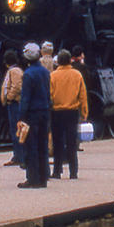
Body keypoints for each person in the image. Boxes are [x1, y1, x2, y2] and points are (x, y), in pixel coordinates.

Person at [50, 49, 88, 177]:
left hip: (57, 112)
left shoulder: (53, 76)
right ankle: (73, 172)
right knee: (72, 142)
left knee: (58, 142)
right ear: (70, 60)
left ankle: (57, 171)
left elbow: (49, 95)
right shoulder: (77, 75)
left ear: (58, 62)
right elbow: (82, 95)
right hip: (72, 112)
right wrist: (84, 111)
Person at [17, 42, 51, 186]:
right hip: (45, 111)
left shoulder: (28, 74)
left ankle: (32, 179)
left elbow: (25, 98)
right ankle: (44, 177)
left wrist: (21, 117)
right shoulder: (45, 72)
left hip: (32, 114)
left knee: (31, 146)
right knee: (43, 145)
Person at [0, 49, 25, 167]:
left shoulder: (15, 71)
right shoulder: (14, 70)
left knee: (16, 131)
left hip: (15, 103)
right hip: (13, 103)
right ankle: (18, 155)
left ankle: (19, 156)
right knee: (15, 130)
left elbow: (16, 86)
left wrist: (8, 97)